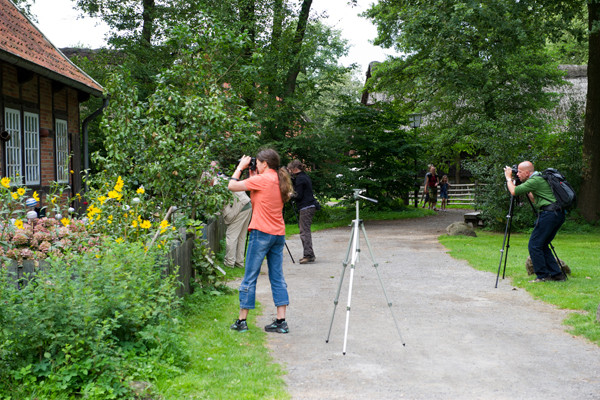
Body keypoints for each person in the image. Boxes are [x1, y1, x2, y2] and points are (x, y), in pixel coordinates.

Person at [227, 149, 294, 333]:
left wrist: (240, 167)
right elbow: (259, 197)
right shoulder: (278, 179)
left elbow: (232, 186)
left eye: (258, 162)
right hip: (278, 234)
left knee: (250, 276)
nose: (255, 164)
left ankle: (242, 321)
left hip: (261, 233)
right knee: (277, 277)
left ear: (265, 164)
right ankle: (281, 322)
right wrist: (253, 174)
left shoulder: (262, 180)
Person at [504, 161, 566, 283]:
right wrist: (524, 185)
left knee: (534, 245)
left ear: (527, 172)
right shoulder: (538, 178)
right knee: (542, 244)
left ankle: (542, 276)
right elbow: (533, 199)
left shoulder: (535, 180)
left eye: (520, 172)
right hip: (557, 214)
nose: (518, 174)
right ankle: (557, 275)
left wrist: (508, 178)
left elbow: (514, 191)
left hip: (549, 214)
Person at [287, 160, 319, 264]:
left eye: (290, 169)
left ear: (295, 169)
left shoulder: (300, 179)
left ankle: (308, 255)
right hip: (309, 206)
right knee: (305, 231)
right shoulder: (303, 176)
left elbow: (298, 196)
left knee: (304, 232)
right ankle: (309, 254)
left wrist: (290, 195)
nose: (289, 172)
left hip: (306, 207)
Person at [222, 190, 252, 268]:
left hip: (241, 207)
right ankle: (239, 262)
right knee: (241, 237)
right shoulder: (224, 179)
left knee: (231, 235)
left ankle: (229, 263)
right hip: (247, 205)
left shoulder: (217, 185)